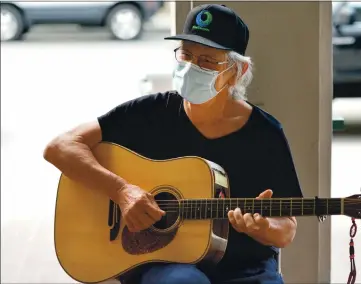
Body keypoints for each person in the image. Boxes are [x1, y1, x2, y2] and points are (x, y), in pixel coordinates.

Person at [44, 4, 303, 284]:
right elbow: (61, 147)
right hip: (168, 263)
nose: (192, 67)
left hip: (247, 268)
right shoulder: (149, 113)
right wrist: (121, 190)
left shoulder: (265, 133)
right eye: (186, 55)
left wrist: (262, 228)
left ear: (237, 71)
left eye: (207, 61)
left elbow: (286, 229)